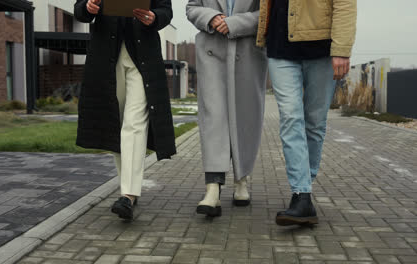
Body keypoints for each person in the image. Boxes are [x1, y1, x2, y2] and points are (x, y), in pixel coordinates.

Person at [256, 0, 357, 225]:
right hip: (279, 47)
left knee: (314, 122)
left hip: (321, 49)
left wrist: (341, 49)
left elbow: (345, 4)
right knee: (291, 118)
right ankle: (301, 194)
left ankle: (304, 191)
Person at [74, 0, 176, 220]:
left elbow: (166, 12)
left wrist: (154, 17)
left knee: (134, 122)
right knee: (117, 122)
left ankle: (128, 194)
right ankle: (127, 189)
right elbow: (79, 10)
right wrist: (88, 7)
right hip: (106, 59)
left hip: (142, 58)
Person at [187, 0, 268, 217]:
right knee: (214, 118)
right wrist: (210, 18)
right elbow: (192, 7)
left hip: (248, 53)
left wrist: (235, 23)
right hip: (212, 51)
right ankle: (212, 189)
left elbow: (268, 13)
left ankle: (242, 180)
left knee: (246, 118)